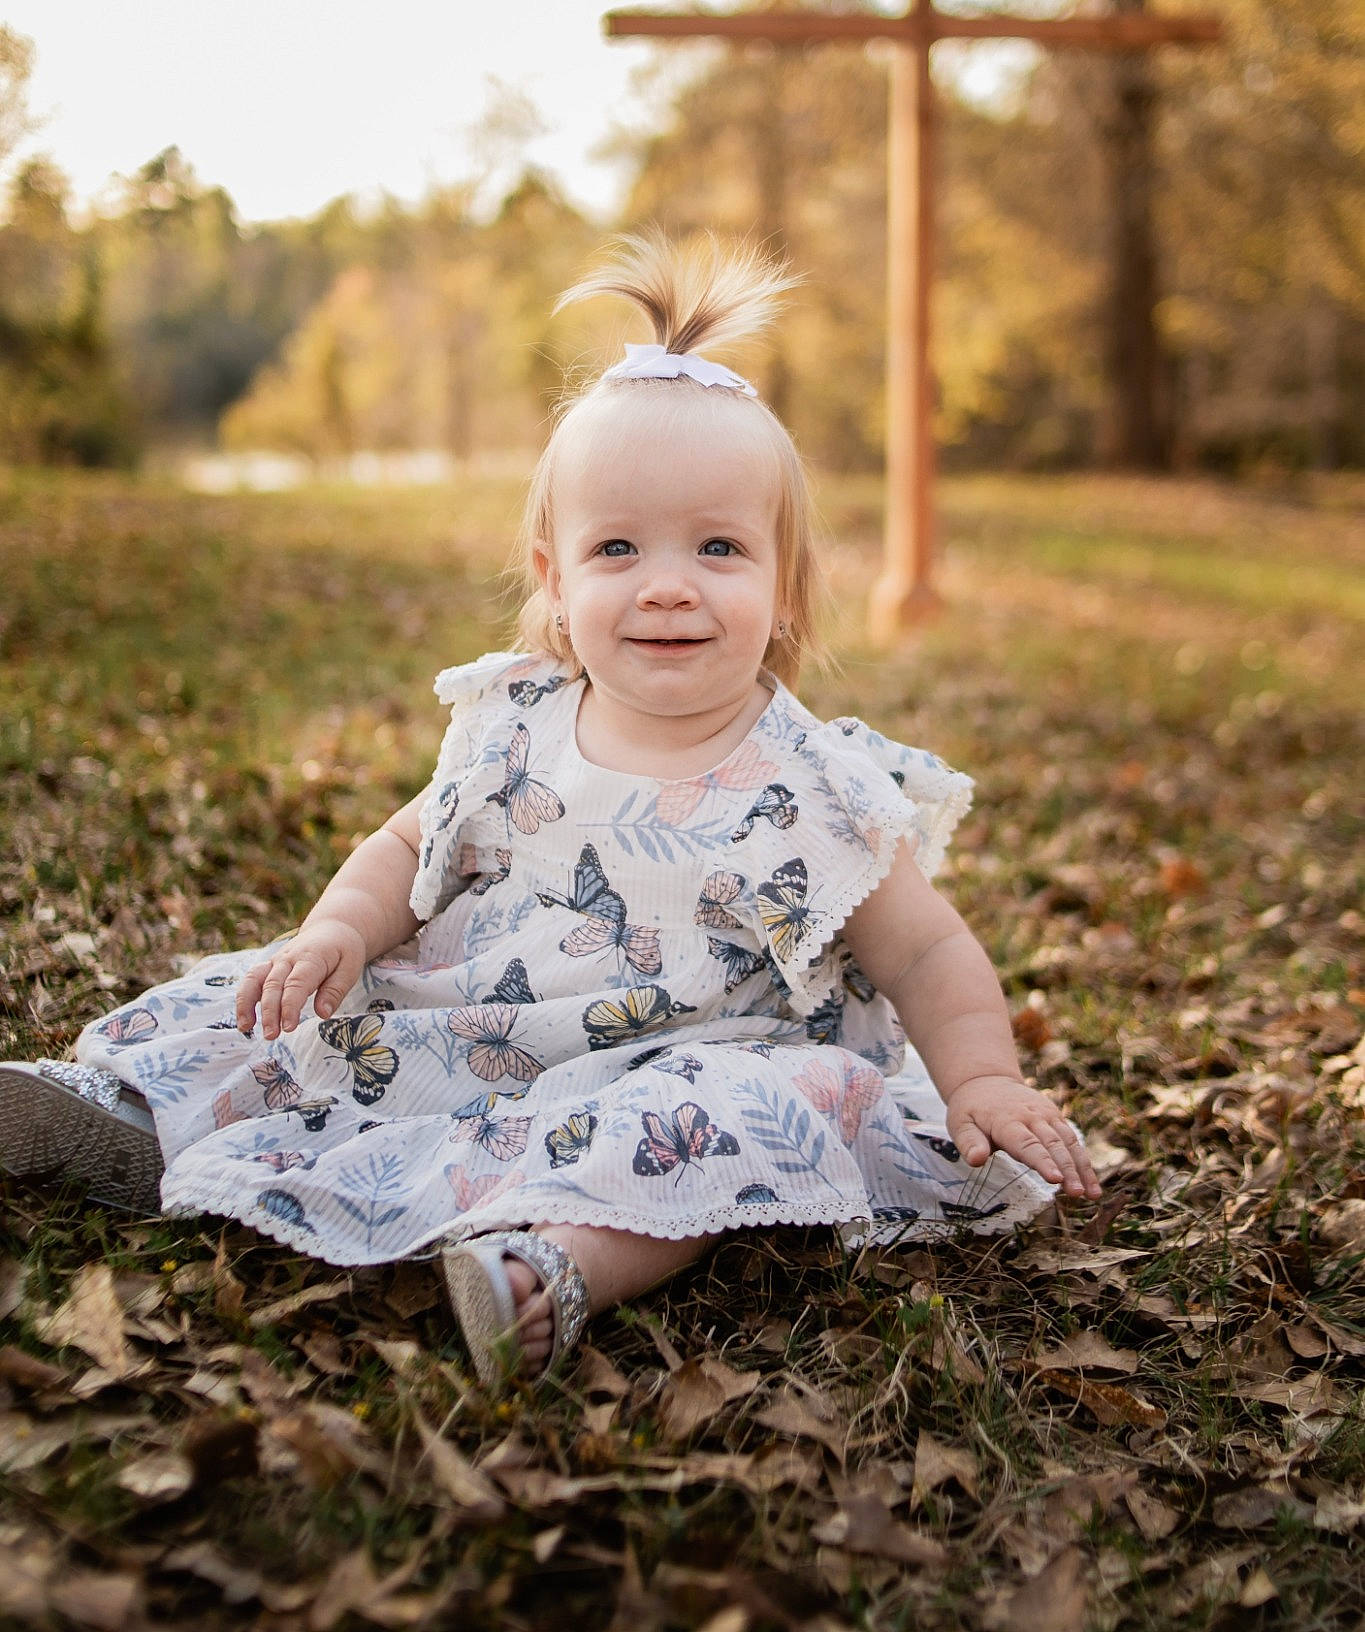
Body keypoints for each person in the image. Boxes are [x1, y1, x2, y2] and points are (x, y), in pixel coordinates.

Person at [0, 234, 1098, 1385]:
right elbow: (409, 841)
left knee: (717, 1123)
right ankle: (133, 1115)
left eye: (718, 547)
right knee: (317, 1004)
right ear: (557, 580)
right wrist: (338, 924)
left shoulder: (808, 784)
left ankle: (551, 1267)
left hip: (695, 1044)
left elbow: (922, 946)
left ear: (784, 586)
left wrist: (979, 1078)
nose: (667, 581)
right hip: (493, 1013)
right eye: (617, 546)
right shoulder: (515, 722)